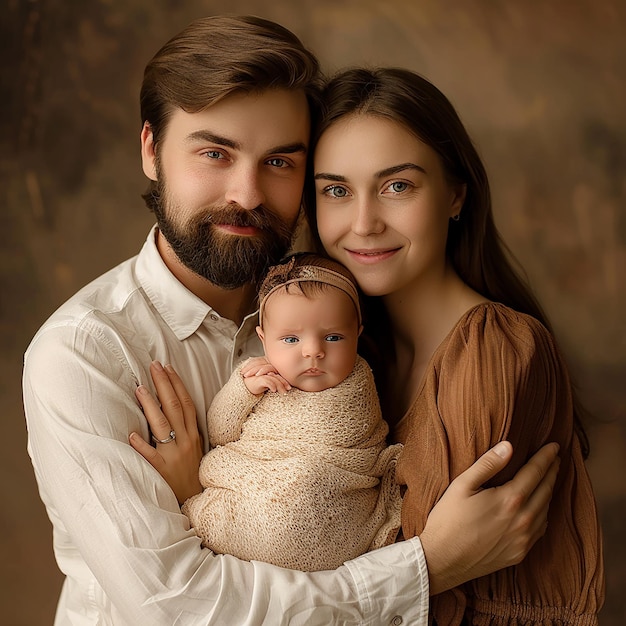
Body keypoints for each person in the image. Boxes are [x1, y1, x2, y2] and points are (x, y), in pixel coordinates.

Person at [22, 15, 560, 626]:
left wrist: (193, 492)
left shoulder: (346, 311)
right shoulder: (86, 354)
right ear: (151, 150)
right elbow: (179, 608)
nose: (248, 192)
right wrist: (427, 567)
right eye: (215, 152)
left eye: (279, 162)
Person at [304, 67, 605, 624]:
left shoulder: (494, 352)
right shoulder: (344, 353)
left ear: (455, 196)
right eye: (337, 191)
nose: (364, 223)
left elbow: (416, 588)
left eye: (398, 186)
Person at [177, 252, 402, 571]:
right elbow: (220, 432)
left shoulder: (358, 383)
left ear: (357, 335)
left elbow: (357, 452)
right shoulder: (256, 377)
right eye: (291, 339)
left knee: (308, 481)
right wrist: (242, 391)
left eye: (334, 337)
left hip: (330, 498)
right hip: (254, 487)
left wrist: (304, 478)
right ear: (264, 340)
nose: (313, 350)